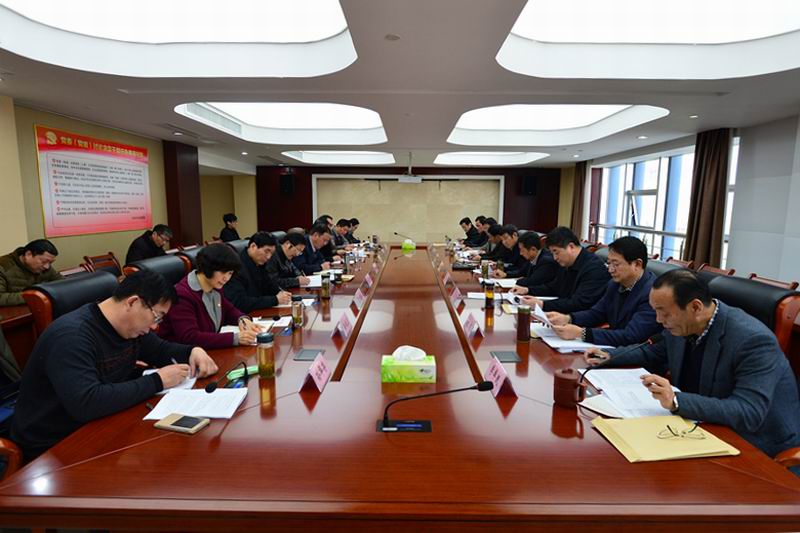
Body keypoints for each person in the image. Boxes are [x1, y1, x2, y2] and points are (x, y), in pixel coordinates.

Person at [584, 269, 800, 462]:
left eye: (664, 312)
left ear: (695, 307)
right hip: (701, 427)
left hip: (756, 446)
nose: (658, 320)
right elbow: (653, 352)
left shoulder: (753, 340)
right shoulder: (685, 324)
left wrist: (676, 400)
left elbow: (748, 412)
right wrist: (609, 356)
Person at [10, 270, 218, 461]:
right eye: (156, 317)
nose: (155, 326)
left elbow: (160, 350)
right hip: (52, 446)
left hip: (102, 424)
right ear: (132, 302)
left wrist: (192, 351)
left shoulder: (129, 327)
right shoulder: (72, 337)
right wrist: (157, 381)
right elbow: (87, 402)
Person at [546, 236, 661, 347]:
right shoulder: (614, 284)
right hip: (614, 347)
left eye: (616, 264)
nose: (610, 270)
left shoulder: (652, 293)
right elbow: (597, 313)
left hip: (636, 354)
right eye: (609, 263)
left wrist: (582, 333)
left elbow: (631, 336)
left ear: (637, 264)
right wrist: (568, 318)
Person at [158, 244, 261, 349]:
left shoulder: (215, 286)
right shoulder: (182, 295)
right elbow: (190, 337)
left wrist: (242, 319)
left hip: (207, 351)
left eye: (230, 273)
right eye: (223, 272)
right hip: (180, 355)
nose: (226, 278)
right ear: (208, 268)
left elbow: (228, 310)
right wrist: (234, 338)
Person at [513, 226, 609, 313]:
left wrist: (542, 305)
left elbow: (579, 303)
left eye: (556, 252)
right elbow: (554, 287)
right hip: (564, 314)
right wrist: (528, 290)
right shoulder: (567, 263)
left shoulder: (594, 268)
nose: (555, 258)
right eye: (552, 253)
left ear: (571, 247)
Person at [224, 232, 292, 312]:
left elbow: (269, 286)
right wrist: (275, 299)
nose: (269, 257)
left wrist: (281, 293)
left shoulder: (259, 264)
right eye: (266, 251)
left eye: (271, 253)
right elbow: (240, 302)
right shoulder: (236, 268)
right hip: (245, 315)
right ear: (253, 246)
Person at [0, 239, 63, 307]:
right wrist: (37, 295)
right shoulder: (3, 267)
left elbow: (62, 283)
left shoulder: (45, 267)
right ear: (28, 254)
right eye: (44, 261)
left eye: (50, 263)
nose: (47, 267)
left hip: (39, 307)